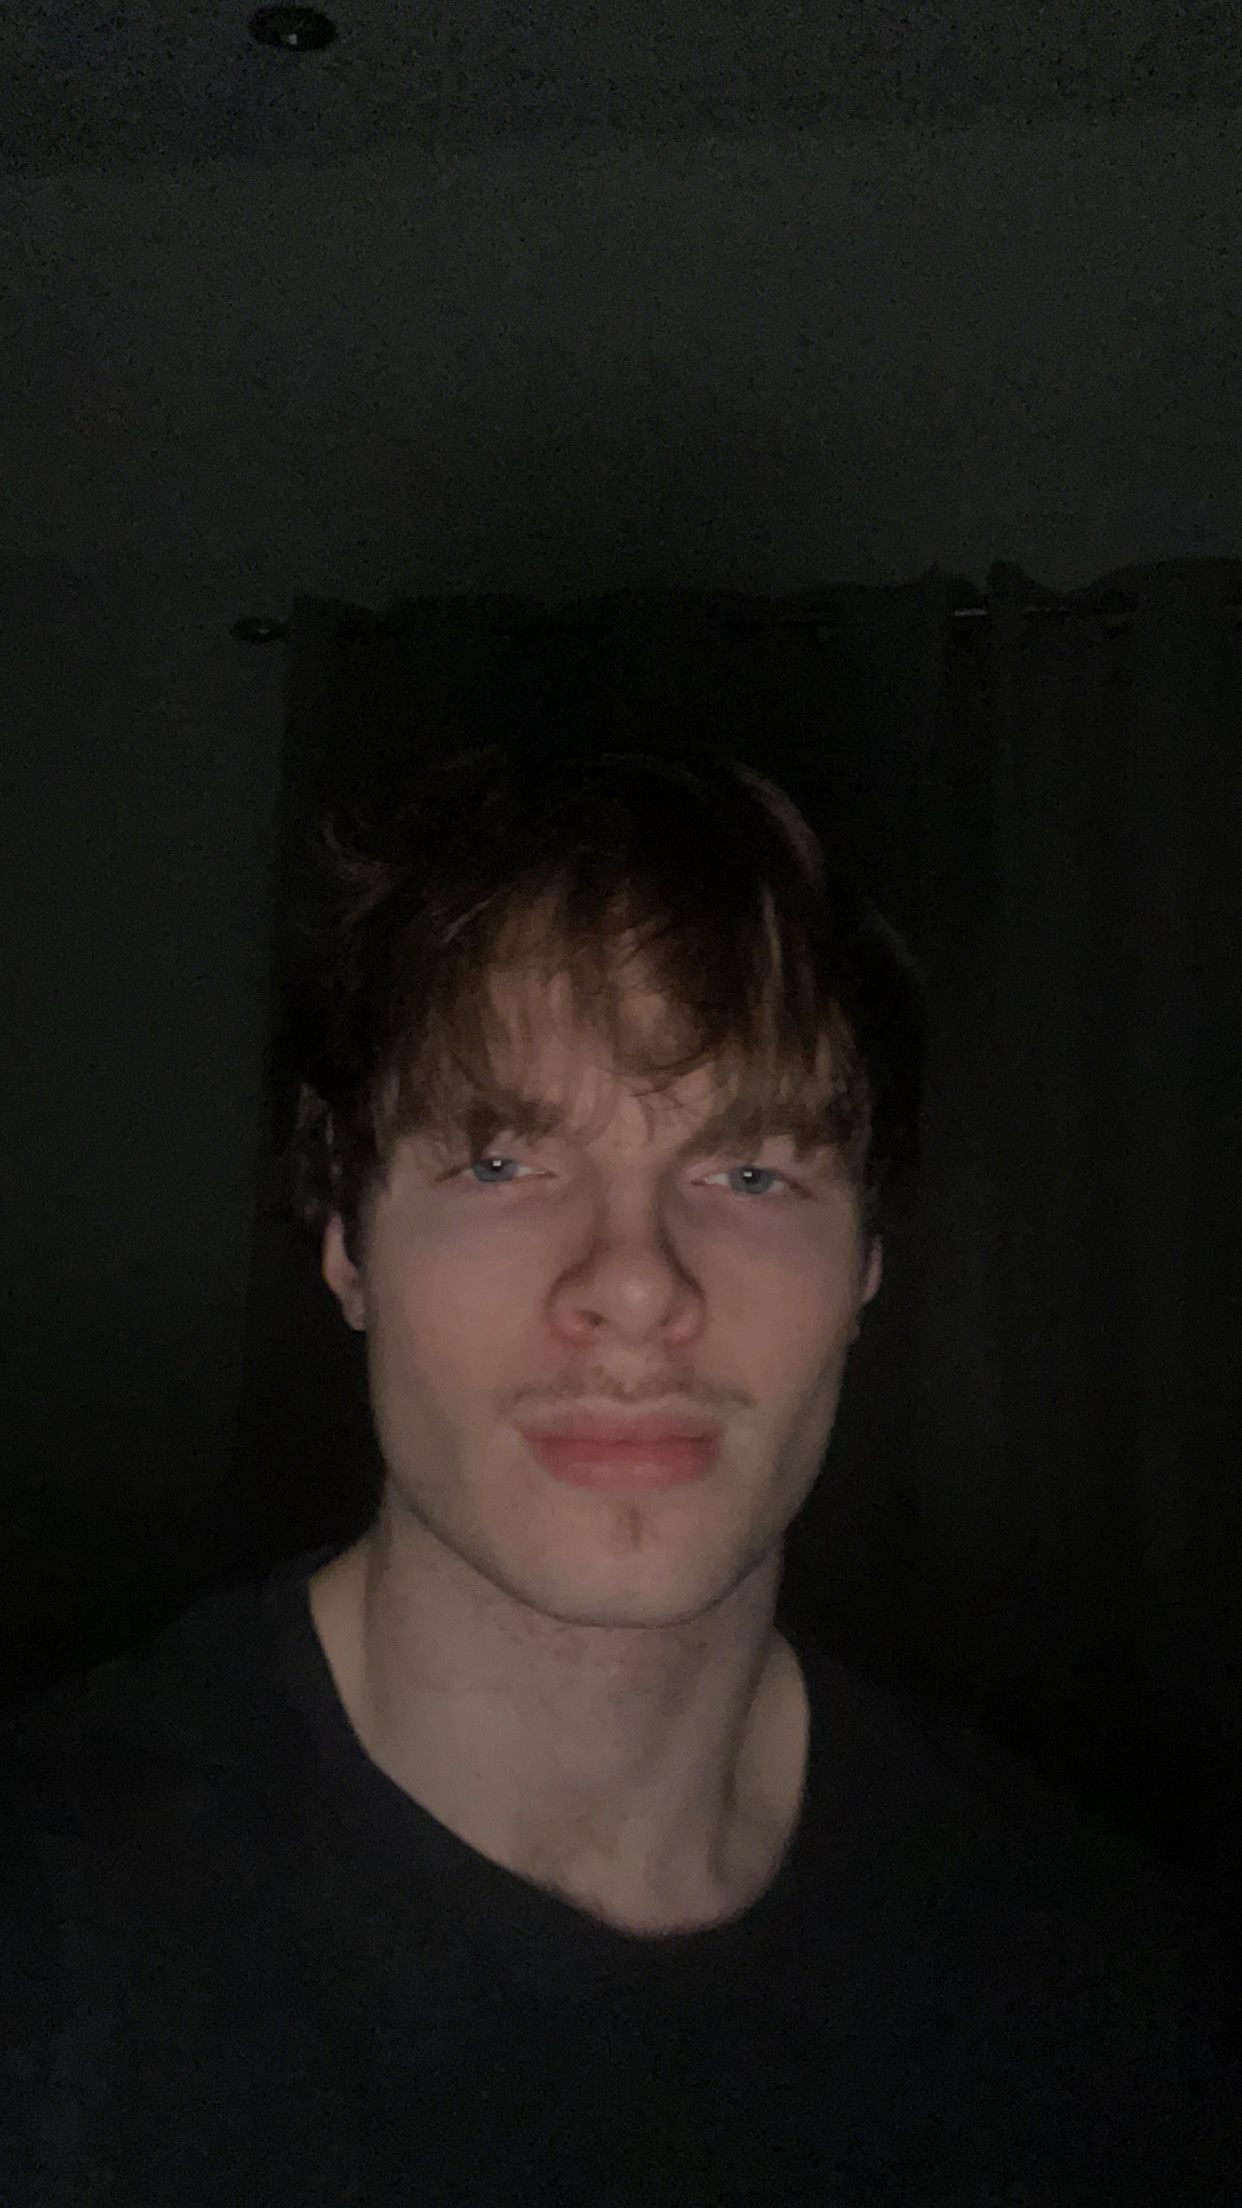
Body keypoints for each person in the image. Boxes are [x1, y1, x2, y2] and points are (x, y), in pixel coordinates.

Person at [2, 734, 1236, 2205]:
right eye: (501, 1162)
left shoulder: (1110, 2001)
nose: (637, 1284)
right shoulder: (52, 1942)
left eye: (751, 1172)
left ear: (863, 1267)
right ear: (347, 1246)